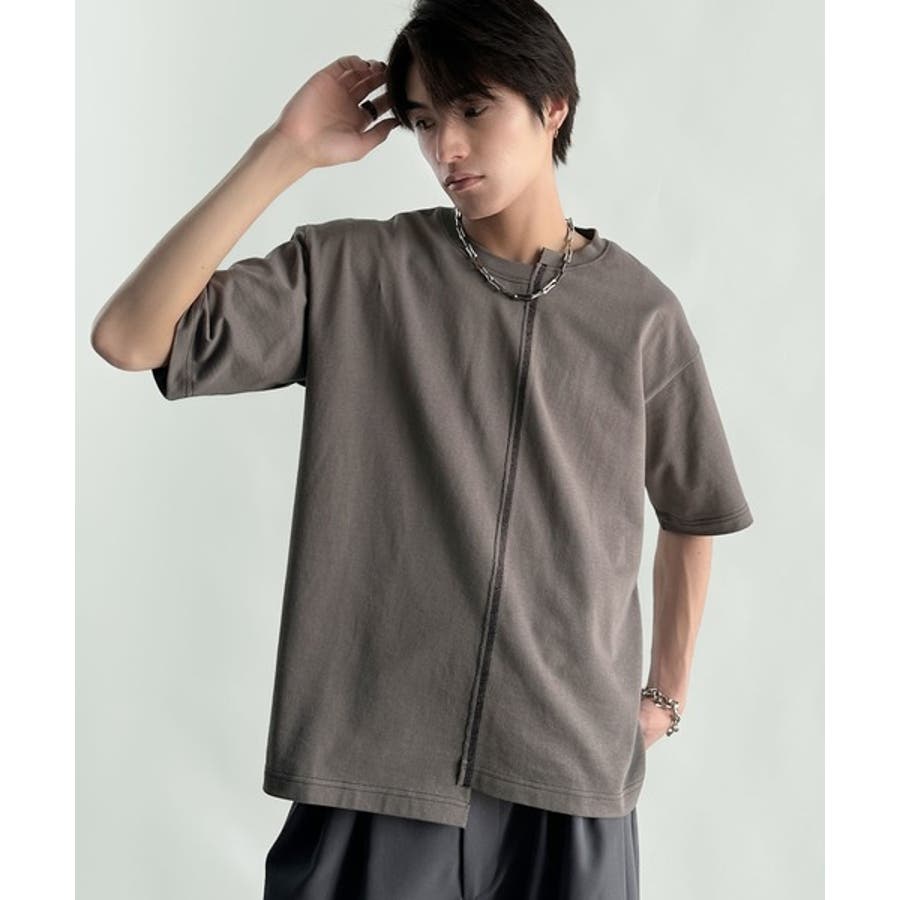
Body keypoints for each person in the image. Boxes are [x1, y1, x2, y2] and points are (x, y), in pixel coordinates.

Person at [91, 1, 753, 896]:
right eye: (424, 121)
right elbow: (132, 337)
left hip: (570, 772)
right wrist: (285, 150)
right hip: (375, 767)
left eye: (473, 109)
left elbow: (695, 508)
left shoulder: (640, 315)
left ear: (553, 105)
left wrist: (664, 696)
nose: (448, 148)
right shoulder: (355, 273)